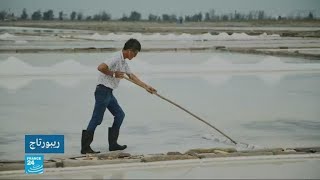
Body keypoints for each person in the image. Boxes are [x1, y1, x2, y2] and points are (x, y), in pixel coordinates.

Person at [81, 38, 157, 154]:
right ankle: (85, 147)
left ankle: (113, 144)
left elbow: (132, 76)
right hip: (102, 91)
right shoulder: (116, 57)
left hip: (109, 92)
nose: (135, 56)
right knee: (97, 119)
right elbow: (101, 67)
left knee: (119, 115)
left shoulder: (123, 62)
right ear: (130, 51)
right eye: (135, 53)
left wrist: (147, 87)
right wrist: (114, 73)